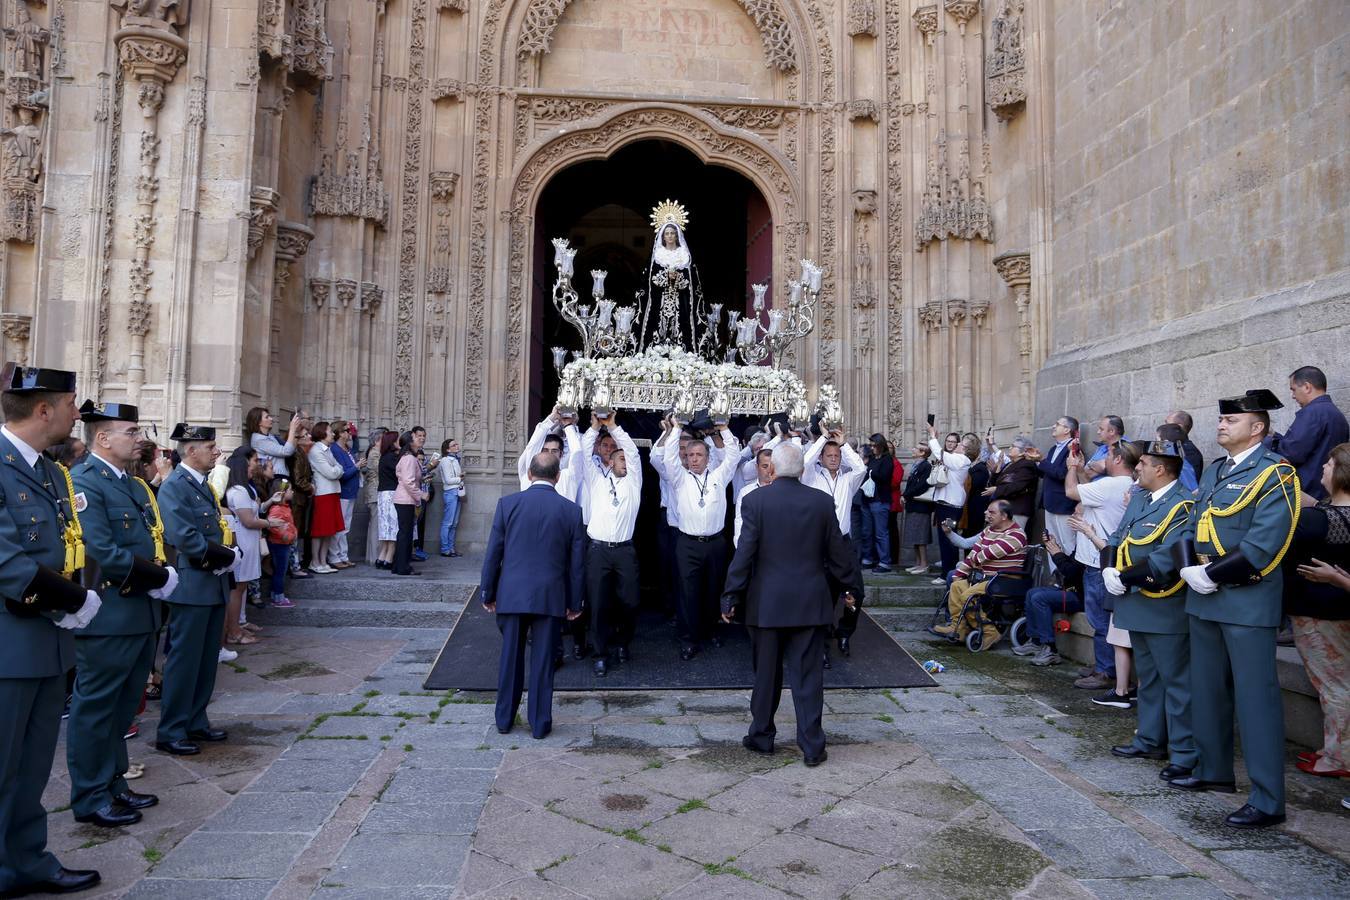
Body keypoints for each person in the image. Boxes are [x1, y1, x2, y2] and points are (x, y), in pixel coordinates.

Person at [1169, 389, 1300, 830]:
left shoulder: (1276, 473)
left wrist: (1213, 575)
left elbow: (1266, 542)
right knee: (1206, 689)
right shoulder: (1219, 471)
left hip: (1245, 597)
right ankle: (1213, 770)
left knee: (1255, 700)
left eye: (1232, 420)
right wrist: (1189, 569)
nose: (1221, 425)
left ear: (1257, 427)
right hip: (1203, 595)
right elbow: (1191, 522)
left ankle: (1268, 799)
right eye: (1221, 419)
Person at [0, 364, 103, 896]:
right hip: (10, 642)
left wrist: (71, 603)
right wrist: (73, 600)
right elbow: (8, 564)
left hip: (48, 638)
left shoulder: (43, 468)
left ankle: (26, 861)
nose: (75, 413)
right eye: (70, 404)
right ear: (44, 409)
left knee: (34, 765)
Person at [66, 401, 178, 828]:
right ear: (103, 438)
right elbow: (102, 550)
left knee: (122, 709)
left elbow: (151, 538)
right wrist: (157, 578)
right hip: (110, 613)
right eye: (131, 432)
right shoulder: (85, 482)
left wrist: (163, 574)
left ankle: (114, 781)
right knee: (97, 707)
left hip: (140, 613)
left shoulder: (132, 484)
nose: (140, 439)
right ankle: (90, 794)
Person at [721, 441, 864, 766]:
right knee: (808, 677)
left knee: (765, 676)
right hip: (809, 604)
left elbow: (745, 552)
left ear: (773, 468)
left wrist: (731, 594)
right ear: (802, 469)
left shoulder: (756, 501)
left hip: (767, 604)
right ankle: (812, 746)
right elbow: (837, 554)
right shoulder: (821, 502)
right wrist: (850, 586)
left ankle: (761, 736)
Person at [1101, 440, 1197, 777]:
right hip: (1135, 601)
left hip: (1163, 603)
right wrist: (1108, 568)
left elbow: (1167, 555)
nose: (1136, 467)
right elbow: (1117, 536)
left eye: (1142, 462)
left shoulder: (1184, 504)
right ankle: (1151, 739)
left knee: (1176, 682)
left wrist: (1123, 576)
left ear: (1160, 468)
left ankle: (1185, 753)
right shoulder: (1141, 497)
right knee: (1150, 679)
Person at [481, 452, 585, 738]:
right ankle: (539, 723)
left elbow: (494, 554)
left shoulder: (508, 504)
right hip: (550, 596)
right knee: (543, 661)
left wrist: (488, 591)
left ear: (529, 474)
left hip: (513, 593)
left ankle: (504, 719)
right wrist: (575, 602)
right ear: (558, 476)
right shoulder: (570, 510)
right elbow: (577, 564)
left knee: (510, 657)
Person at [154, 423, 239, 757]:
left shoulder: (198, 483)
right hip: (193, 584)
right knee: (185, 660)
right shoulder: (176, 485)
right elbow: (185, 537)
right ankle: (171, 728)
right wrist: (228, 556)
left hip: (212, 582)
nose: (216, 452)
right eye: (211, 446)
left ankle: (195, 719)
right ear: (191, 450)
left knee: (205, 660)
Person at [1284, 443, 1350, 778]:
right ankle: (1335, 749)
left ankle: (1339, 760)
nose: (1322, 467)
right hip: (1340, 611)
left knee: (1334, 687)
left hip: (1318, 615)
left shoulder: (1314, 521)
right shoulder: (1326, 515)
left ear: (1341, 472)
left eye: (1328, 463)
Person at [655, 414, 741, 660]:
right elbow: (669, 456)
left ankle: (711, 630)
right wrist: (677, 427)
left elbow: (733, 455)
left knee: (712, 590)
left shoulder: (718, 477)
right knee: (687, 593)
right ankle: (688, 639)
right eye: (690, 455)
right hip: (688, 545)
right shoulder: (679, 478)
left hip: (715, 543)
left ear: (707, 458)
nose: (693, 459)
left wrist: (723, 429)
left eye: (698, 455)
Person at [1065, 439, 1139, 691]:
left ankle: (1105, 671)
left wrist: (1072, 468)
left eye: (1108, 456)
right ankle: (1104, 665)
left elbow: (1071, 493)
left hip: (1099, 562)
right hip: (1108, 559)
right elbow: (1093, 494)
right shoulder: (1126, 485)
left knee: (1100, 620)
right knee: (1104, 619)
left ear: (1118, 460)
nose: (1103, 460)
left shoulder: (1111, 484)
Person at [574, 415, 641, 676]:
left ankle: (624, 644)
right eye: (620, 459)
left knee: (631, 602)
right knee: (598, 603)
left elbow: (633, 452)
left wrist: (612, 425)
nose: (626, 462)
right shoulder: (596, 480)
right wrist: (593, 427)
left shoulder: (634, 483)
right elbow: (582, 450)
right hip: (598, 550)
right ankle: (600, 654)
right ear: (609, 462)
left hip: (624, 550)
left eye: (626, 460)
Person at [928, 500, 1028, 648]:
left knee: (967, 595)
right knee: (956, 586)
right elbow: (974, 554)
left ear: (1004, 516)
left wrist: (976, 558)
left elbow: (987, 554)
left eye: (991, 512)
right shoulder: (989, 530)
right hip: (986, 578)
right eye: (987, 511)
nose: (986, 513)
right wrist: (960, 573)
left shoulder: (1016, 535)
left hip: (1004, 580)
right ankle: (959, 628)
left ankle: (989, 632)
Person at [804, 429, 869, 655]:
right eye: (829, 455)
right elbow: (804, 461)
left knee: (856, 592)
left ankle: (844, 632)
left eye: (836, 455)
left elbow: (861, 468)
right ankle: (820, 645)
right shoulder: (811, 477)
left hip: (843, 544)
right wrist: (822, 439)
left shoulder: (848, 479)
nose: (833, 458)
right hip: (819, 545)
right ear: (821, 458)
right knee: (823, 595)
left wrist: (843, 445)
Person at [223, 448, 284, 644]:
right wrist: (270, 523)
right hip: (243, 540)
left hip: (248, 541)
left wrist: (267, 504)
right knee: (238, 587)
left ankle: (239, 624)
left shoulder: (244, 489)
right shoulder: (238, 491)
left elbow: (253, 512)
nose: (255, 466)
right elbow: (248, 520)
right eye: (254, 462)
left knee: (242, 586)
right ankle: (233, 632)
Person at [1273, 366, 1350, 501]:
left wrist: (1265, 440)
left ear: (1307, 387)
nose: (1293, 396)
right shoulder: (1336, 414)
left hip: (1308, 492)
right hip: (1328, 491)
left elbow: (1291, 453)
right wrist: (1275, 435)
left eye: (1293, 389)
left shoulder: (1312, 412)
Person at [1014, 532, 1085, 666]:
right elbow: (1068, 566)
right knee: (1031, 593)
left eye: (1077, 514)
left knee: (1039, 598)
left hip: (1082, 596)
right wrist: (1054, 549)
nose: (1073, 515)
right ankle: (1035, 642)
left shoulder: (1090, 543)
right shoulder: (1081, 541)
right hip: (1070, 590)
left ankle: (1051, 650)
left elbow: (1071, 572)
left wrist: (1057, 553)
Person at [926, 425, 973, 583]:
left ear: (966, 449)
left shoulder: (961, 460)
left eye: (961, 444)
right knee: (944, 539)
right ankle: (948, 570)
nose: (957, 445)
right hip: (945, 503)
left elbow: (939, 453)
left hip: (950, 506)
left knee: (948, 540)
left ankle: (948, 573)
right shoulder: (956, 459)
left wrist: (933, 436)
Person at [1027, 416, 1079, 553]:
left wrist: (1042, 460)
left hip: (1063, 505)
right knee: (1051, 542)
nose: (1053, 426)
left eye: (1057, 424)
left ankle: (1069, 574)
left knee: (1067, 545)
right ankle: (1054, 573)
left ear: (1067, 429)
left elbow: (1062, 474)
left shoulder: (1072, 449)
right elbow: (1046, 473)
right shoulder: (1052, 449)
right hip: (1050, 504)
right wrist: (1036, 462)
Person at [306, 422, 346, 574]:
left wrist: (337, 469)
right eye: (330, 431)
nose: (333, 434)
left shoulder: (327, 450)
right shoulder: (316, 451)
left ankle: (323, 561)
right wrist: (337, 470)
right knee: (320, 530)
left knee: (330, 530)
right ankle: (315, 561)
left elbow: (338, 468)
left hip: (333, 491)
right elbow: (332, 472)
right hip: (323, 493)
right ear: (322, 433)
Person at [518, 407, 581, 499]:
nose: (549, 454)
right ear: (530, 474)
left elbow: (576, 452)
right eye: (545, 450)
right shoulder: (528, 473)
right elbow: (532, 446)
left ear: (561, 454)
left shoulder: (567, 476)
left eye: (554, 451)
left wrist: (569, 425)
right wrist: (551, 418)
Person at [391, 431, 427, 576]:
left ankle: (400, 565)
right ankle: (402, 567)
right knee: (405, 534)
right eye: (417, 437)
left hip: (406, 499)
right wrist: (421, 495)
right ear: (409, 442)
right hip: (405, 499)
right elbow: (408, 481)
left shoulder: (409, 458)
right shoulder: (409, 459)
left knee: (405, 534)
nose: (421, 439)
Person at [985, 435, 1040, 528]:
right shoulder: (1010, 464)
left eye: (1013, 446)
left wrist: (997, 490)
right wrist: (997, 470)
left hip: (1017, 510)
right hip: (1005, 510)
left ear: (1023, 452)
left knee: (1012, 538)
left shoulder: (1027, 465)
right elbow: (996, 483)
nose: (1010, 448)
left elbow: (1017, 486)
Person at [329, 420, 361, 569]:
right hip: (343, 492)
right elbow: (342, 473)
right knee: (339, 527)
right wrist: (357, 466)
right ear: (340, 434)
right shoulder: (335, 450)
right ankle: (334, 556)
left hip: (351, 492)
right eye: (347, 431)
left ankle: (343, 555)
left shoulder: (346, 449)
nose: (350, 433)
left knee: (345, 527)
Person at [861, 433, 895, 573]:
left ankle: (884, 562)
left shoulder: (887, 460)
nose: (872, 448)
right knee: (867, 531)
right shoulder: (872, 459)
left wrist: (870, 471)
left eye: (874, 445)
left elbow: (884, 477)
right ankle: (868, 559)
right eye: (871, 445)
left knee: (881, 533)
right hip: (867, 499)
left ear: (881, 446)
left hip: (880, 500)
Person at [902, 445, 935, 574]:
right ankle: (918, 563)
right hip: (913, 504)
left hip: (921, 506)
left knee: (920, 536)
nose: (912, 449)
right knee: (914, 536)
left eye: (916, 448)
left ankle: (924, 564)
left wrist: (906, 495)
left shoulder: (926, 466)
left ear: (922, 453)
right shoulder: (917, 465)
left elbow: (922, 485)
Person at [243, 406, 303, 477]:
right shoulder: (259, 441)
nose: (271, 419)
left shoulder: (271, 437)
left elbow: (292, 449)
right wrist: (292, 429)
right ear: (258, 422)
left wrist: (296, 431)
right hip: (274, 477)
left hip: (282, 475)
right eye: (267, 417)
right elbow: (286, 451)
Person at [734, 447, 775, 547]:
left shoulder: (784, 491)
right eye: (765, 466)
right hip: (753, 548)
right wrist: (741, 549)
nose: (769, 471)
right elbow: (740, 523)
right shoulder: (746, 492)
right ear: (757, 467)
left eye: (772, 466)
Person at [374, 430, 399, 569]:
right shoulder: (391, 458)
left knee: (386, 527)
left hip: (384, 494)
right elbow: (399, 473)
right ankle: (388, 558)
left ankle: (382, 557)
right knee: (392, 527)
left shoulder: (384, 457)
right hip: (391, 494)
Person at [437, 438, 465, 557]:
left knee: (454, 523)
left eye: (456, 444)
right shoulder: (445, 460)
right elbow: (448, 480)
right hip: (450, 492)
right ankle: (445, 549)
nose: (457, 446)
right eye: (454, 445)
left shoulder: (455, 460)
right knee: (448, 522)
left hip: (456, 492)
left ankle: (451, 548)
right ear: (447, 449)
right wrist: (460, 478)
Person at [1166, 410, 1206, 481]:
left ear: (1178, 427)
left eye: (1167, 424)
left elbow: (1188, 485)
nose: (1164, 428)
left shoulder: (1189, 452)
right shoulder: (1175, 447)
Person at [1157, 423, 1198, 492]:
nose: (1156, 444)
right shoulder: (1168, 461)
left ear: (1166, 443)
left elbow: (1193, 491)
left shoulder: (1181, 465)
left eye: (1157, 440)